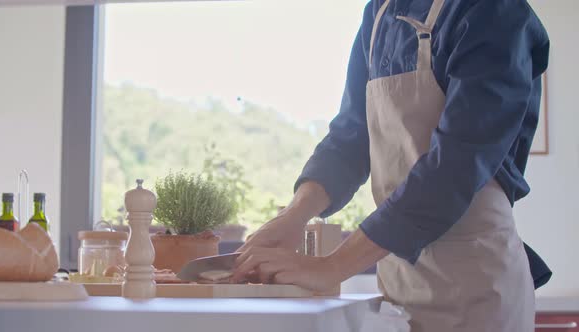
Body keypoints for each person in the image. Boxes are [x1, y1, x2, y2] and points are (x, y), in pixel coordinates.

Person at [232, 0, 551, 330]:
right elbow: (351, 136)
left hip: (477, 291)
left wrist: (333, 266)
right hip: (398, 285)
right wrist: (293, 217)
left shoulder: (492, 11)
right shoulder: (378, 12)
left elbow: (456, 166)